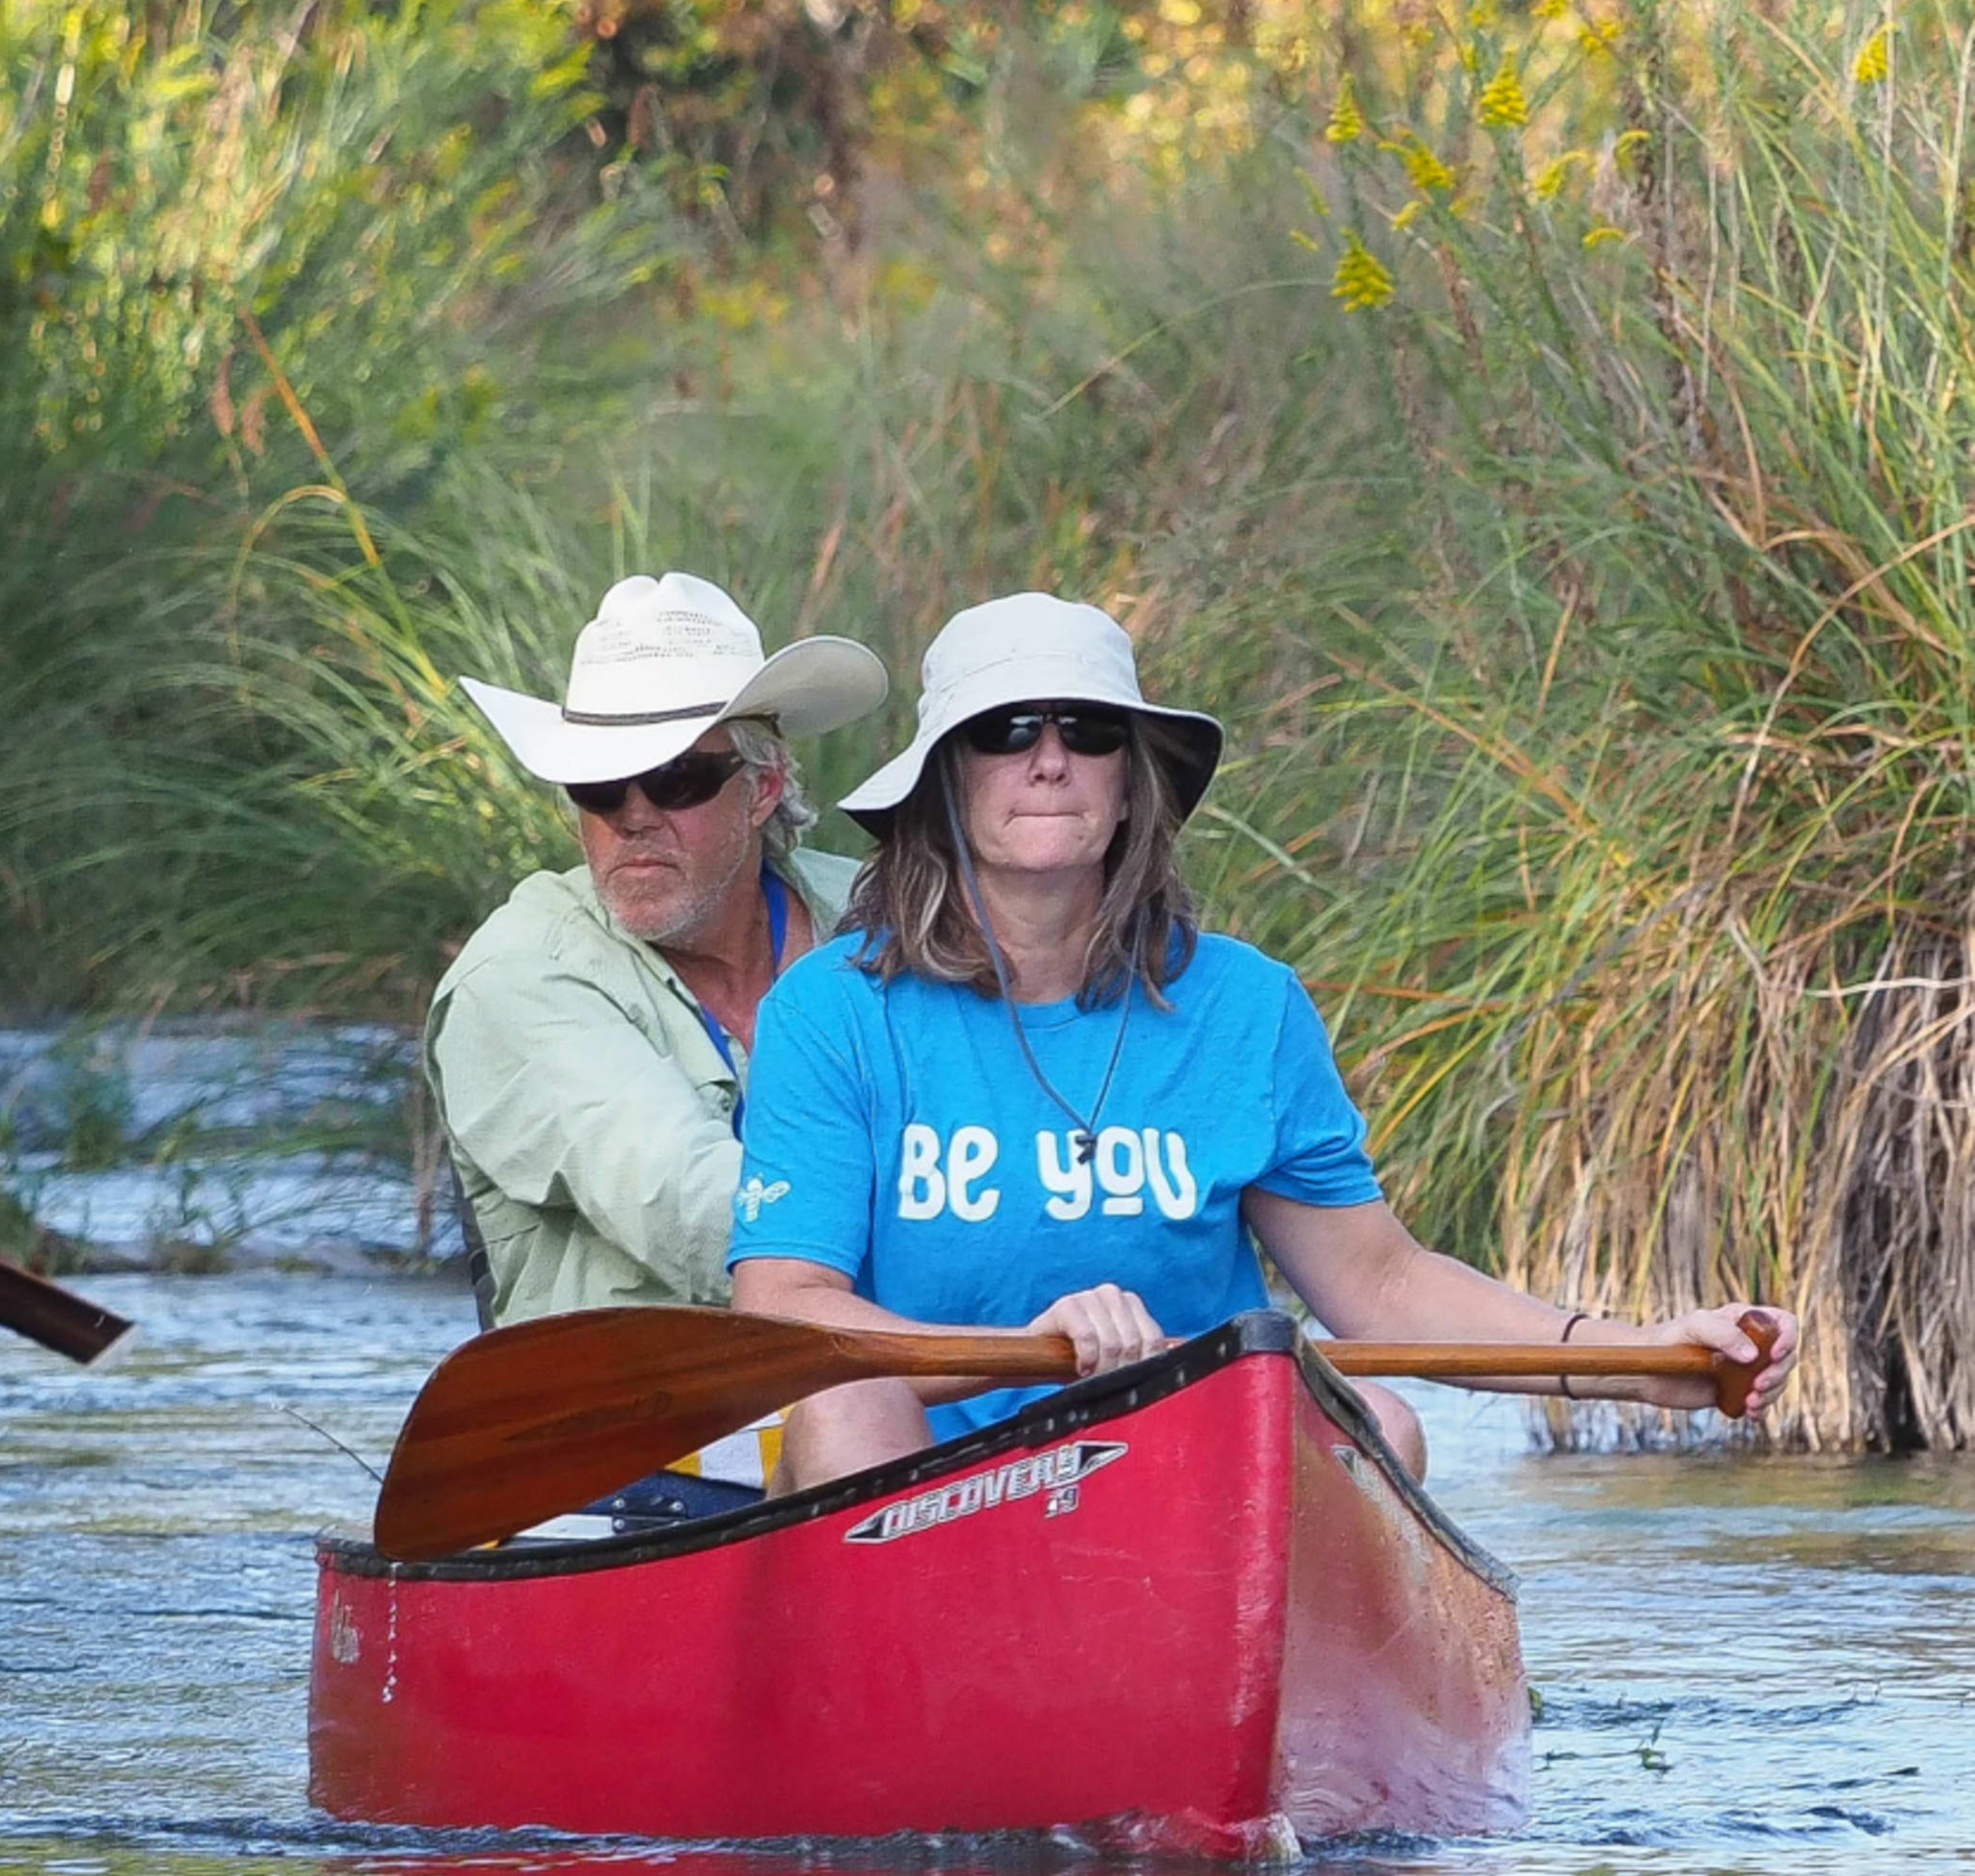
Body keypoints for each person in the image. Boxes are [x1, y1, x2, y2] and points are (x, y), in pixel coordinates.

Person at [728, 590, 1796, 1486]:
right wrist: (1035, 1344)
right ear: (945, 777)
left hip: (1183, 1473)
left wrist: (1630, 1356)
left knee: (1380, 1422)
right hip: (926, 1489)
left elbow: (1380, 1286)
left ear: (1129, 778)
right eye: (1005, 731)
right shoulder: (830, 1010)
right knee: (841, 1411)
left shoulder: (1249, 1004)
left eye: (1085, 730)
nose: (1047, 760)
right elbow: (783, 1319)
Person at [426, 572, 890, 1325]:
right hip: (643, 1420)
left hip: (892, 1384)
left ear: (764, 786)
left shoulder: (890, 915)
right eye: (600, 785)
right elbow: (685, 1201)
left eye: (676, 779)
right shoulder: (516, 975)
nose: (634, 817)